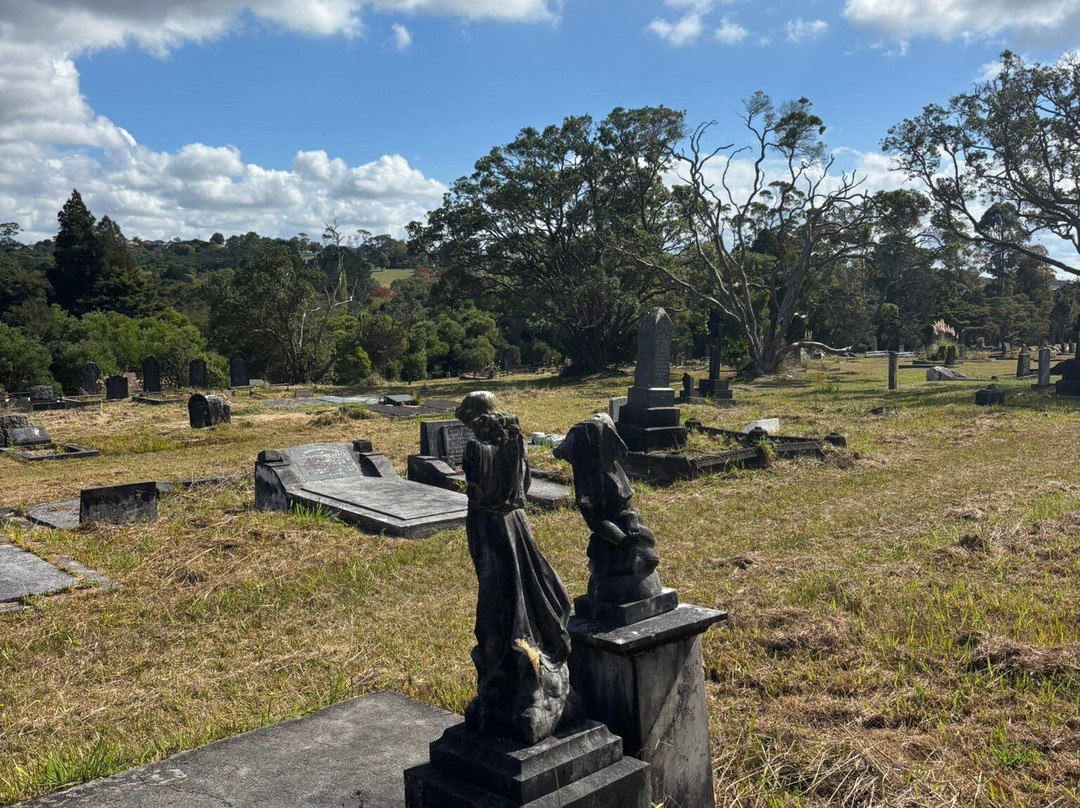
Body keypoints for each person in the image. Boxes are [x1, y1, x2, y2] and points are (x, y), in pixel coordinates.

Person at [454, 391, 575, 744]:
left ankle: (514, 680)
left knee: (497, 608)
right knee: (527, 591)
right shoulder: (516, 441)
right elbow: (525, 485)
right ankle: (523, 677)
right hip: (517, 525)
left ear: (476, 419)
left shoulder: (476, 450)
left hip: (491, 530)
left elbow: (477, 493)